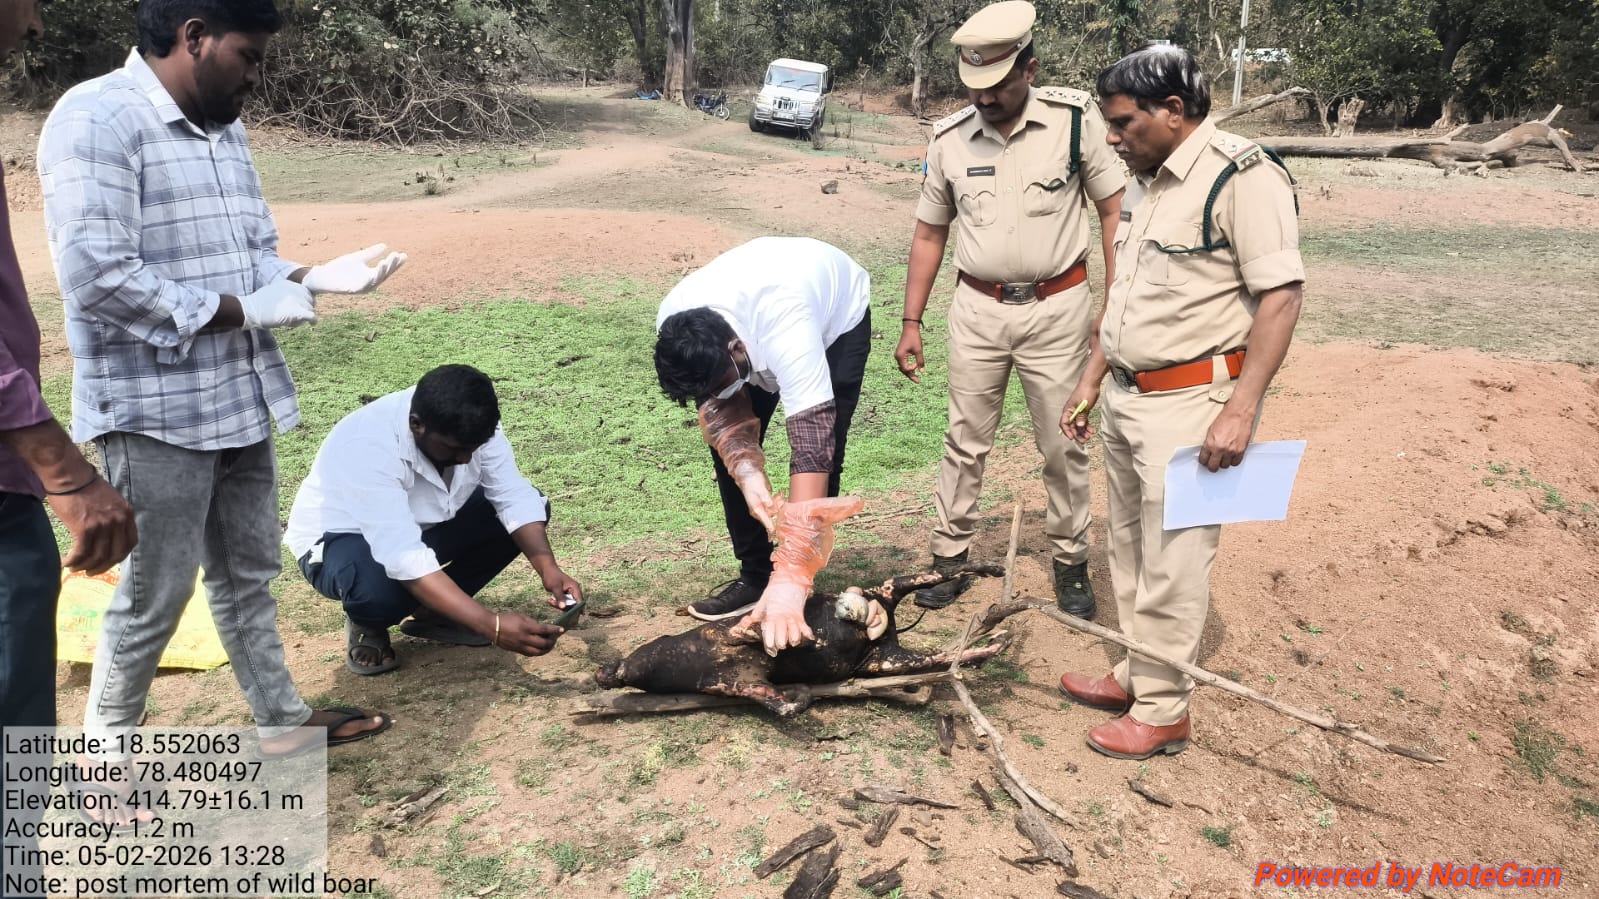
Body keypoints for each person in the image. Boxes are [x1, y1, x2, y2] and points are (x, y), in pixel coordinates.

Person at [37, 0, 408, 776]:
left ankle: (282, 720)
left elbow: (252, 257)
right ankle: (106, 760)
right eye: (249, 55)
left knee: (247, 577)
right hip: (155, 408)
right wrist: (242, 309)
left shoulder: (223, 128)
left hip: (239, 392)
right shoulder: (96, 118)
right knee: (155, 592)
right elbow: (98, 276)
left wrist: (312, 275)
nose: (256, 76)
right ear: (194, 37)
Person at [1056, 44, 1304, 760]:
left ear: (1172, 110)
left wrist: (1240, 410)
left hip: (1194, 402)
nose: (1111, 138)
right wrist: (1093, 376)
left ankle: (1164, 709)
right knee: (1130, 549)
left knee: (1174, 560)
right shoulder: (1146, 179)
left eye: (1122, 122)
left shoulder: (1241, 176)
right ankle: (1138, 672)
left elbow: (1281, 296)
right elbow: (1127, 293)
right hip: (1128, 396)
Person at [895, 0, 1125, 615]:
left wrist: (1114, 301)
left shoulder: (1075, 123)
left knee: (1065, 441)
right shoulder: (949, 139)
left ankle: (1071, 562)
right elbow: (930, 233)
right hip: (977, 311)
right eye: (975, 86)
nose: (986, 98)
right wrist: (911, 321)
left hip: (1059, 311)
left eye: (998, 84)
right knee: (964, 440)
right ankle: (949, 557)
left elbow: (1113, 211)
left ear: (1029, 69)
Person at [285, 365, 581, 674]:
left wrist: (548, 568)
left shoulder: (472, 419)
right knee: (377, 593)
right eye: (455, 448)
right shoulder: (368, 444)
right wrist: (490, 625)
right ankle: (368, 621)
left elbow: (512, 496)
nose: (466, 459)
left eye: (474, 447)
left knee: (526, 512)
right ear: (416, 425)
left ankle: (436, 613)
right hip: (342, 539)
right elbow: (402, 554)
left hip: (421, 524)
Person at [654, 236, 871, 654]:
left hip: (835, 319)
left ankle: (798, 580)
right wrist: (748, 473)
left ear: (737, 349)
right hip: (749, 331)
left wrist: (792, 571)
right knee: (726, 457)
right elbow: (721, 415)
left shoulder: (787, 324)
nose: (718, 395)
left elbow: (811, 441)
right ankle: (755, 576)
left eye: (721, 384)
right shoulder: (676, 326)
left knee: (822, 456)